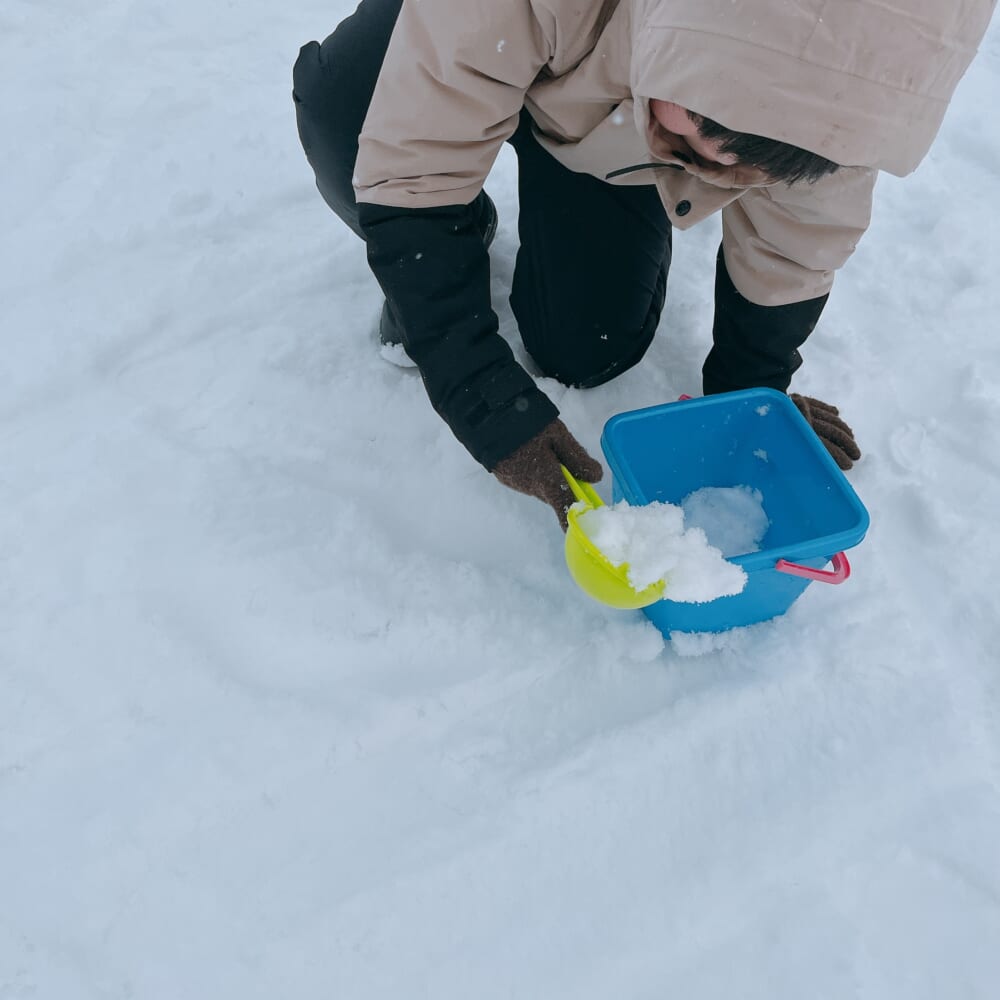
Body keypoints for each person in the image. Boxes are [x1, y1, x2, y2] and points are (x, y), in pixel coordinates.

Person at [293, 0, 995, 527]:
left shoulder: (858, 83)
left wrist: (754, 390)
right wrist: (476, 389)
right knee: (350, 108)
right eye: (700, 122)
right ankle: (458, 227)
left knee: (585, 347)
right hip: (496, 30)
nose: (715, 164)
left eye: (743, 163)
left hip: (608, 132)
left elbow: (799, 235)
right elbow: (414, 158)